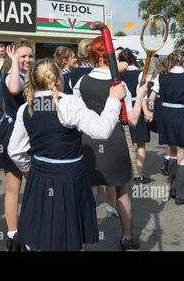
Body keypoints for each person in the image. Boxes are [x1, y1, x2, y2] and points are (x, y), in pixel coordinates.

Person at [8, 58, 127, 251]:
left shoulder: (24, 109)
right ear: (56, 79)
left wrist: (32, 171)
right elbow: (102, 130)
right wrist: (113, 99)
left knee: (44, 230)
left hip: (39, 176)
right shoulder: (69, 104)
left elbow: (15, 150)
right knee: (72, 234)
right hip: (70, 178)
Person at [73, 36, 148, 250]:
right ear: (105, 55)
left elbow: (77, 116)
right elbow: (132, 120)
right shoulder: (119, 84)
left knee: (89, 191)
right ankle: (127, 237)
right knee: (123, 190)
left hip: (89, 139)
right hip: (115, 139)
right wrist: (141, 95)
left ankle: (81, 241)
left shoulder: (81, 82)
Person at [148, 50, 184, 205]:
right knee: (182, 155)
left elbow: (152, 97)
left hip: (166, 116)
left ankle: (173, 188)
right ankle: (180, 195)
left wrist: (151, 110)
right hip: (181, 115)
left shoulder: (162, 76)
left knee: (173, 152)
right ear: (183, 61)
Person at [0, 38, 34, 250]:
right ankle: (13, 233)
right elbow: (14, 90)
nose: (27, 59)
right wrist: (13, 62)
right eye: (23, 55)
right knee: (14, 187)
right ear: (15, 56)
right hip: (13, 134)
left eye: (30, 56)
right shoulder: (14, 75)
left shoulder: (29, 75)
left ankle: (27, 228)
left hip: (28, 134)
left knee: (33, 185)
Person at [119, 48, 151, 184]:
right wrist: (147, 111)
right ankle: (139, 175)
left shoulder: (118, 74)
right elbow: (143, 96)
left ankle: (124, 173)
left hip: (123, 110)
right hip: (137, 109)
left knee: (127, 144)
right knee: (141, 144)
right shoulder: (140, 74)